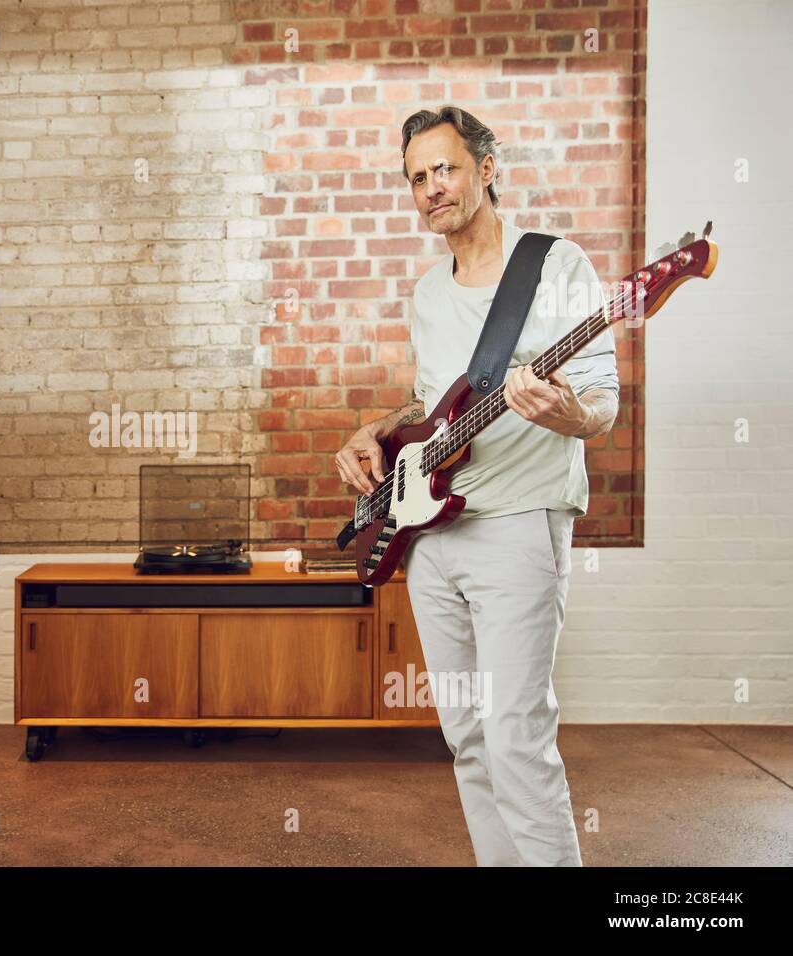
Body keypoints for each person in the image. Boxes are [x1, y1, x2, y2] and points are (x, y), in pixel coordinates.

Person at [335, 106, 620, 866]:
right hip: (432, 538)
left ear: (486, 170)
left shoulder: (555, 266)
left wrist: (566, 413)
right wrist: (376, 429)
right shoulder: (429, 291)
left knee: (516, 734)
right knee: (466, 734)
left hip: (519, 526)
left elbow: (602, 403)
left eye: (447, 167)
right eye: (418, 176)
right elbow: (432, 412)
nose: (433, 186)